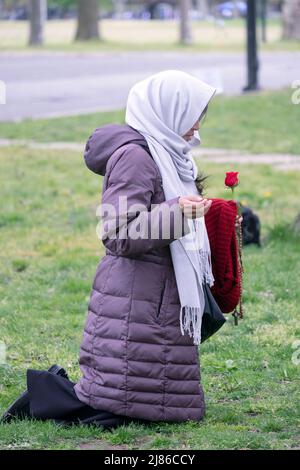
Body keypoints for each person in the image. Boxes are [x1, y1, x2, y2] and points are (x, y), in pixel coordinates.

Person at [1, 70, 240, 429]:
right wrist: (177, 213)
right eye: (192, 114)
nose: (197, 126)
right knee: (118, 399)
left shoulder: (170, 153)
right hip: (137, 290)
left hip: (155, 290)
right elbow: (117, 231)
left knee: (146, 396)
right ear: (167, 110)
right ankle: (45, 396)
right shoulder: (135, 157)